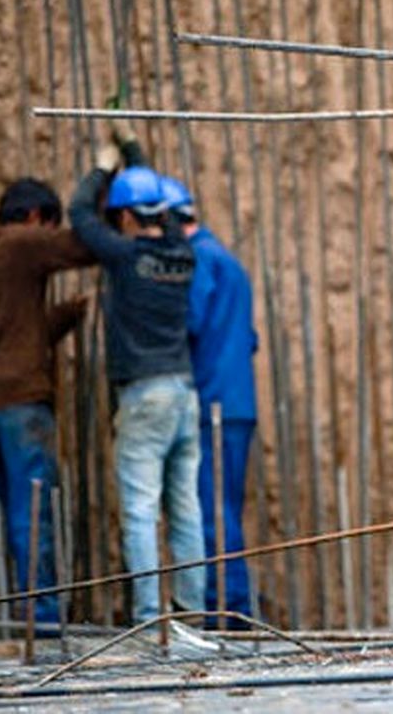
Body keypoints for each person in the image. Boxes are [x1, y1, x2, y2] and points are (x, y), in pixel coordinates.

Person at [68, 126, 206, 624]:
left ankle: (150, 617)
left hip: (145, 395)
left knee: (141, 511)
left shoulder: (127, 257)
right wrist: (133, 154)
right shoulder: (181, 252)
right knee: (186, 509)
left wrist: (105, 167)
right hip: (183, 393)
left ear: (126, 216)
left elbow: (80, 215)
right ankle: (190, 611)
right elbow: (157, 203)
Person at [0, 179, 94, 624]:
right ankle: (40, 617)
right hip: (22, 401)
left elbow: (17, 332)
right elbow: (83, 247)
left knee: (18, 512)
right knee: (34, 511)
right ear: (36, 218)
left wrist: (66, 316)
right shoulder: (22, 243)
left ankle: (32, 612)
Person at [161, 177, 258, 622]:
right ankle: (231, 606)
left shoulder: (198, 258)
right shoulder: (229, 261)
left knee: (212, 511)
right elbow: (249, 338)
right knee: (225, 507)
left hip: (212, 403)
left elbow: (189, 321)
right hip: (238, 401)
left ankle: (228, 611)